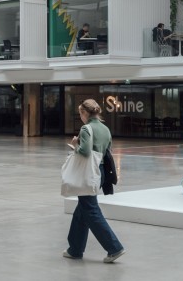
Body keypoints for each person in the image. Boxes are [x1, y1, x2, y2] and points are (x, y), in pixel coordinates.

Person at [63, 99, 125, 263]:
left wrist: (75, 143)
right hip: (101, 172)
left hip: (89, 173)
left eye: (80, 113)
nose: (80, 117)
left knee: (90, 210)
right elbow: (107, 151)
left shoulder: (86, 128)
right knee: (82, 210)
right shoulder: (105, 129)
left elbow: (84, 151)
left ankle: (114, 247)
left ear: (85, 113)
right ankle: (75, 249)